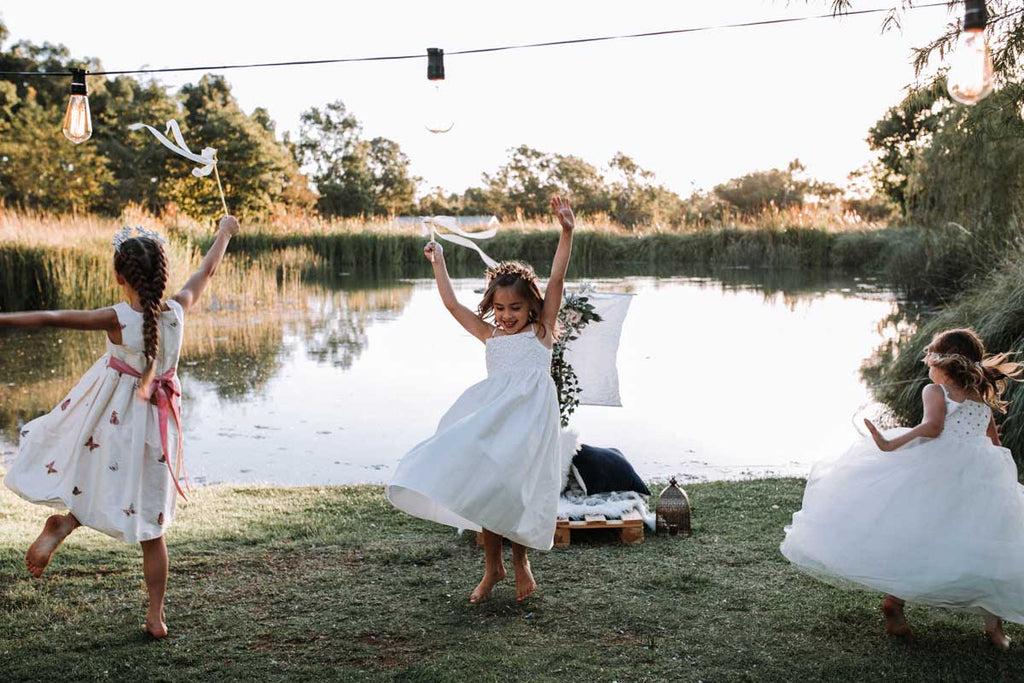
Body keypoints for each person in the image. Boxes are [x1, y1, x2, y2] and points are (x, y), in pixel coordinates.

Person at [3, 215, 240, 638]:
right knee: (153, 523)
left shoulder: (116, 318)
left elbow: (52, 316)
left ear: (118, 276)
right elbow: (207, 271)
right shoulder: (178, 310)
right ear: (162, 273)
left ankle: (67, 523)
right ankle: (155, 617)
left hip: (111, 418)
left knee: (93, 472)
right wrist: (223, 233)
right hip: (156, 425)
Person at [781, 328, 1024, 649]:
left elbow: (933, 428)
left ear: (945, 363)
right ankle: (991, 628)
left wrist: (890, 441)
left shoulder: (934, 391)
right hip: (978, 476)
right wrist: (999, 475)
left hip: (939, 475)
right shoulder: (981, 398)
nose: (926, 364)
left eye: (931, 357)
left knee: (925, 536)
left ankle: (896, 604)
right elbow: (993, 442)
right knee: (990, 544)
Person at [387, 196, 575, 603]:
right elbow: (453, 304)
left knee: (517, 488)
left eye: (516, 308)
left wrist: (567, 231)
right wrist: (439, 264)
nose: (507, 315)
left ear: (532, 307)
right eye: (500, 308)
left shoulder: (541, 333)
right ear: (491, 307)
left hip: (531, 425)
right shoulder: (490, 336)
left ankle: (521, 562)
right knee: (490, 487)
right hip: (494, 420)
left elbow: (557, 280)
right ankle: (493, 568)